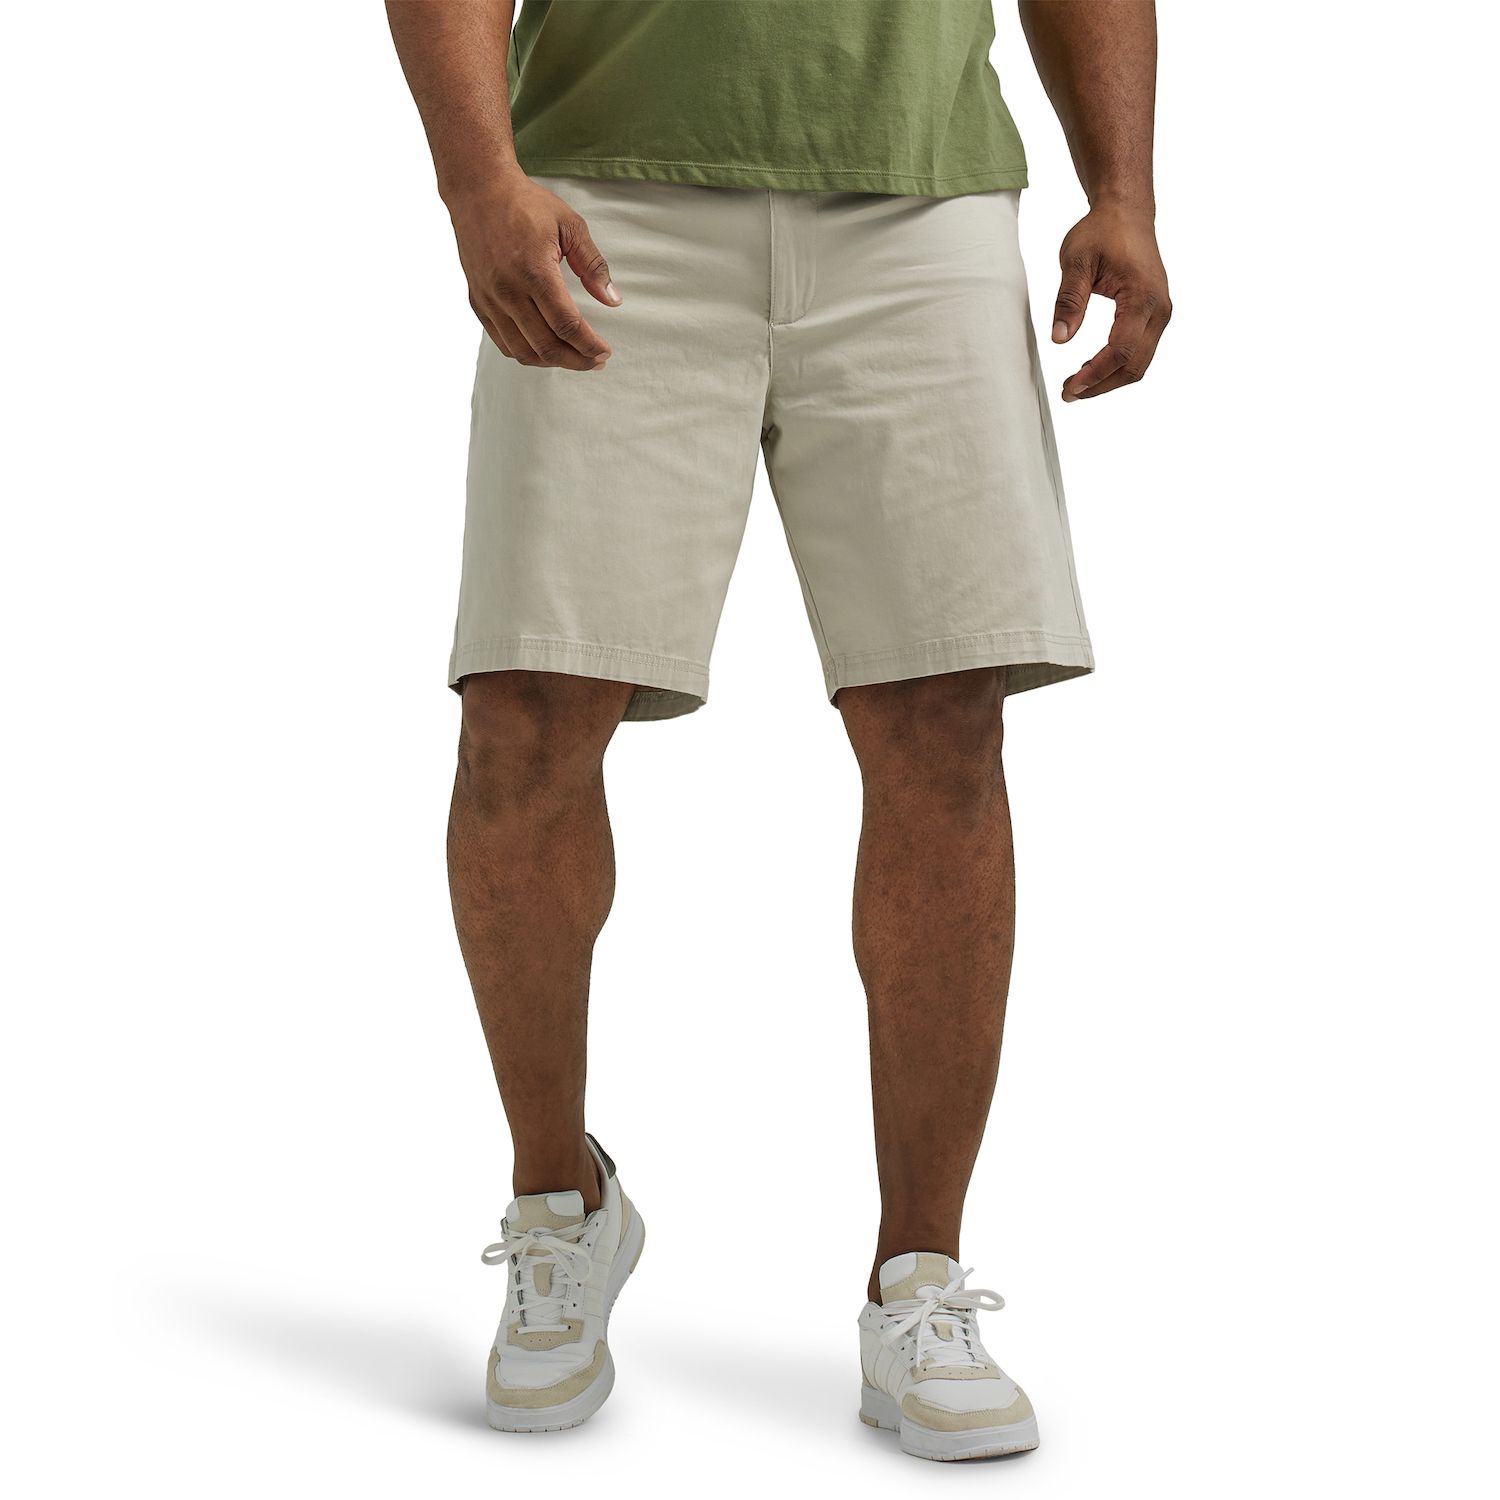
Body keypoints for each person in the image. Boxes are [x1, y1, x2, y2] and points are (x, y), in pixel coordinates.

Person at [386, 0, 1169, 1461]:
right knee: (524, 722)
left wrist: (1121, 187)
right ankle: (559, 1205)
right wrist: (475, 180)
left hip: (920, 196)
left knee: (944, 723)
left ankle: (919, 1279)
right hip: (602, 191)